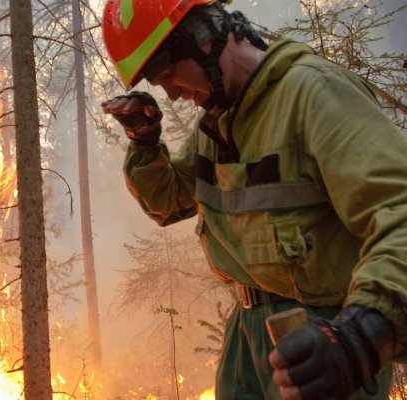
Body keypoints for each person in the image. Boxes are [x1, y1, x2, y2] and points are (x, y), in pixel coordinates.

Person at [100, 0, 406, 398]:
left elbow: (399, 210)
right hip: (247, 335)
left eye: (167, 74)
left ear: (202, 37)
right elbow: (170, 200)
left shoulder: (312, 93)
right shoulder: (221, 121)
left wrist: (364, 335)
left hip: (322, 339)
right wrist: (144, 142)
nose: (172, 94)